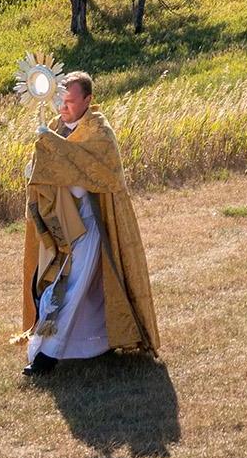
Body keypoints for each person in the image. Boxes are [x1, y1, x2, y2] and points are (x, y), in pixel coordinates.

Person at [19, 72, 159, 376]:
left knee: (71, 287)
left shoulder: (100, 133)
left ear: (88, 100)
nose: (64, 108)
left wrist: (54, 150)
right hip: (60, 227)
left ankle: (47, 356)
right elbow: (44, 174)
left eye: (70, 101)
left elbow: (100, 175)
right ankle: (101, 341)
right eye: (61, 101)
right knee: (88, 288)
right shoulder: (55, 128)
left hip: (88, 224)